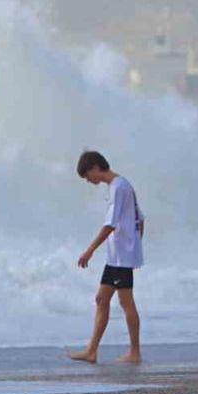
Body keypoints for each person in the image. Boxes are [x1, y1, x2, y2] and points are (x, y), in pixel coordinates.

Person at [69, 150, 144, 364]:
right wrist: (134, 248)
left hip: (121, 255)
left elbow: (110, 224)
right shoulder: (120, 185)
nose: (87, 180)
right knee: (102, 299)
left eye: (86, 175)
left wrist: (90, 250)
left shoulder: (119, 188)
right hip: (118, 255)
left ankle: (135, 353)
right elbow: (141, 219)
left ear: (95, 167)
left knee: (126, 302)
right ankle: (91, 351)